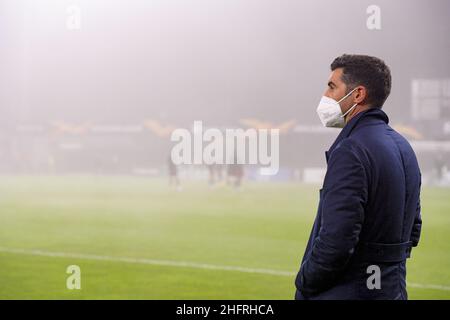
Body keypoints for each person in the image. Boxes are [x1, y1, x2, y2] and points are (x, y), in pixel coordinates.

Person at [295, 54, 422, 300]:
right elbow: (413, 229)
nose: (325, 95)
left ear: (358, 94)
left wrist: (305, 283)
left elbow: (336, 240)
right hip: (393, 289)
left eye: (332, 86)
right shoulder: (404, 147)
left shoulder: (351, 150)